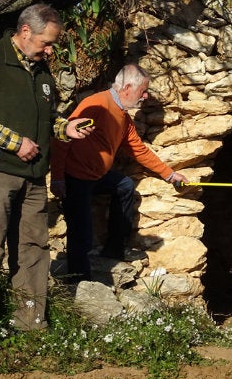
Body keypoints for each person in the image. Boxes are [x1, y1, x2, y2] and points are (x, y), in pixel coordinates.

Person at [0, 3, 92, 352]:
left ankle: (30, 322)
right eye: (47, 42)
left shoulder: (41, 71)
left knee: (33, 249)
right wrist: (15, 143)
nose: (50, 50)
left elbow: (47, 119)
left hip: (33, 176)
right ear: (26, 31)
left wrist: (66, 128)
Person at [50, 64, 189, 283]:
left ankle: (114, 249)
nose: (145, 96)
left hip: (96, 177)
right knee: (81, 234)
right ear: (126, 87)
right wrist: (58, 177)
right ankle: (79, 284)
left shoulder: (123, 116)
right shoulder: (96, 104)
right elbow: (62, 138)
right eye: (142, 91)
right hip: (75, 178)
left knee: (124, 185)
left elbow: (137, 149)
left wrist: (170, 175)